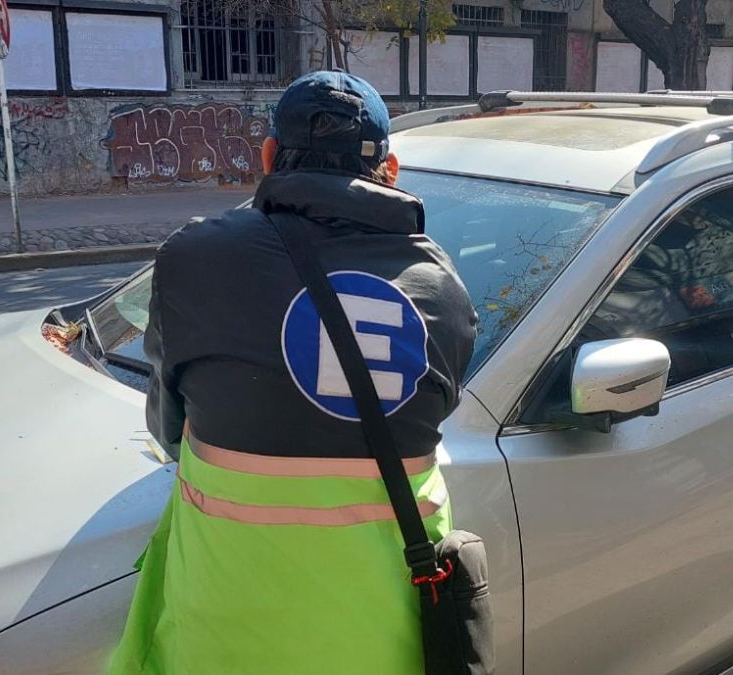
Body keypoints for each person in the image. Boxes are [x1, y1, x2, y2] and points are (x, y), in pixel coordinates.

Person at [108, 71, 477, 675]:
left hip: (222, 630)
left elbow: (170, 429)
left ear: (269, 156)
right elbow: (428, 419)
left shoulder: (195, 257)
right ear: (391, 169)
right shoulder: (441, 290)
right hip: (384, 632)